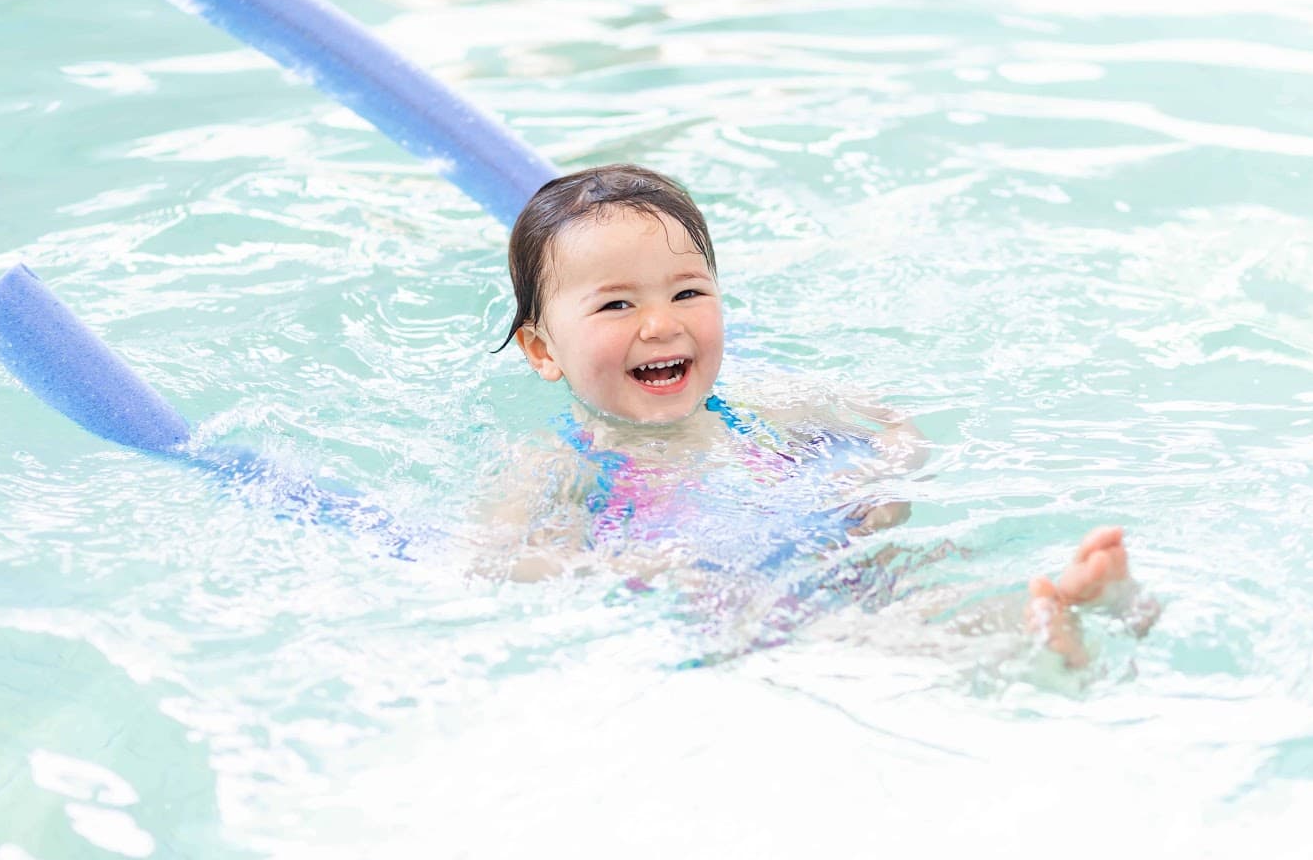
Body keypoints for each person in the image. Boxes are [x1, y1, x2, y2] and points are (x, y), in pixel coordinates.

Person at [482, 163, 1153, 667]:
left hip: (831, 555)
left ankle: (1068, 605)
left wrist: (884, 483)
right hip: (733, 605)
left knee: (922, 572)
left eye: (688, 292)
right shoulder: (558, 462)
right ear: (543, 350)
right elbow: (487, 561)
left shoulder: (760, 409)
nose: (662, 324)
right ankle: (1040, 628)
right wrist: (623, 565)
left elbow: (893, 425)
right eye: (617, 306)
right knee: (837, 635)